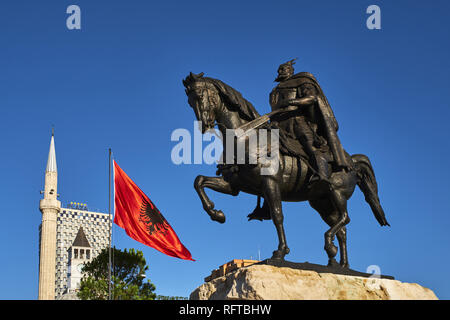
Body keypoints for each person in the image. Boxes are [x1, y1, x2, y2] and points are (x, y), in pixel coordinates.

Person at [269, 59, 351, 181]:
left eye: (282, 69)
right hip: (278, 123)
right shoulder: (274, 91)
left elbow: (312, 98)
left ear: (290, 71)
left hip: (296, 122)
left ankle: (322, 174)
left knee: (309, 146)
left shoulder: (302, 81)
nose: (279, 72)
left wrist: (290, 102)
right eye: (278, 70)